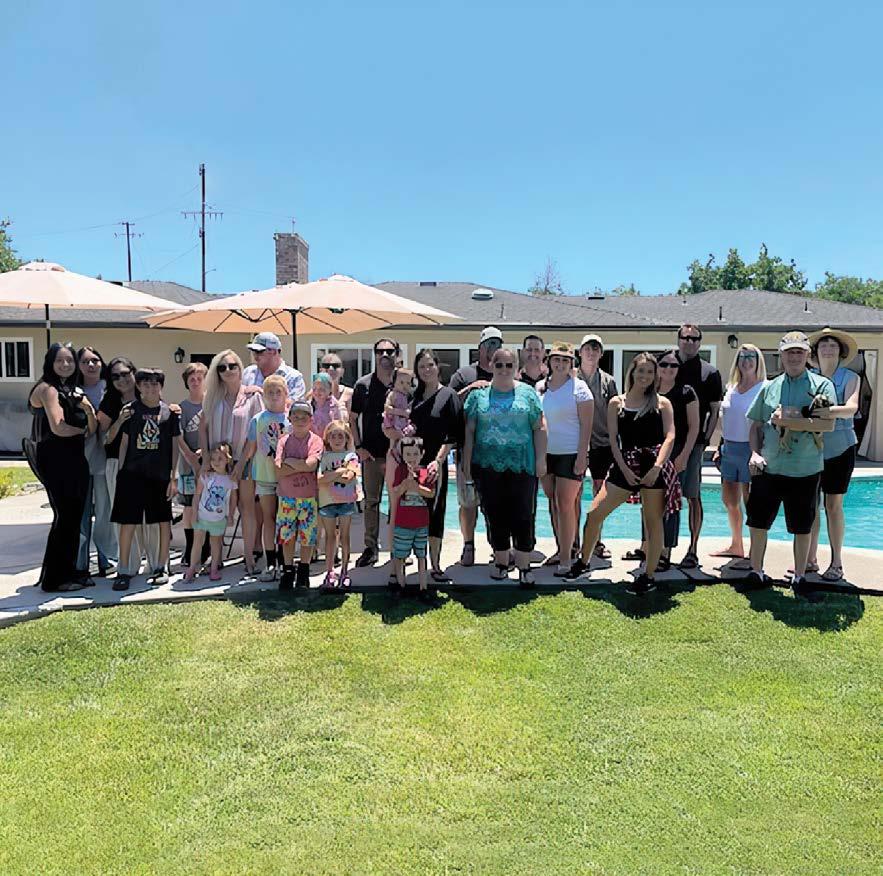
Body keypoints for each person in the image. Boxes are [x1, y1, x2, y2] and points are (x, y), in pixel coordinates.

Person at [566, 353, 677, 595]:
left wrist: (657, 467)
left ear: (655, 376)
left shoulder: (662, 403)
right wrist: (624, 469)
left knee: (653, 523)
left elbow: (670, 436)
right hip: (624, 465)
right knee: (594, 514)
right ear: (632, 372)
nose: (645, 376)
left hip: (653, 466)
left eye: (650, 372)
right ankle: (583, 562)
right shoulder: (617, 402)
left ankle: (648, 575)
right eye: (641, 370)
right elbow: (614, 441)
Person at [744, 331, 837, 599]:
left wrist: (788, 422)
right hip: (769, 467)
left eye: (799, 352)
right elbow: (756, 425)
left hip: (804, 468)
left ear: (807, 355)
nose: (794, 357)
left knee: (802, 527)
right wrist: (754, 453)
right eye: (789, 352)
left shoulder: (822, 386)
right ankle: (756, 572)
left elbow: (827, 424)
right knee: (758, 523)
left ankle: (799, 576)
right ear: (781, 355)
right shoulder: (769, 387)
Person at [462, 347, 547, 587]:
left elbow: (539, 427)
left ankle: (524, 566)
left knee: (523, 514)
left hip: (522, 465)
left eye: (509, 365)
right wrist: (466, 463)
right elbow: (469, 432)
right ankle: (500, 563)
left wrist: (541, 459)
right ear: (491, 365)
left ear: (516, 368)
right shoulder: (478, 396)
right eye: (499, 364)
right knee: (494, 514)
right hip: (487, 465)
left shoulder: (528, 394)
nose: (504, 369)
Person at [27, 343, 95, 592]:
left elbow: (85, 425)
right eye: (59, 360)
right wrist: (82, 430)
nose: (65, 365)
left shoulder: (69, 389)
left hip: (73, 458)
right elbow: (58, 427)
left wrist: (87, 414)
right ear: (50, 363)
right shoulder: (48, 389)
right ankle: (55, 580)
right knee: (65, 518)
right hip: (56, 459)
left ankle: (65, 572)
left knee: (72, 518)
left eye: (69, 360)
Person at [111, 368, 180, 591]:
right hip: (132, 475)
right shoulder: (131, 411)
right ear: (139, 386)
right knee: (128, 523)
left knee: (162, 521)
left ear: (161, 386)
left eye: (155, 384)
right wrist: (121, 472)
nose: (151, 388)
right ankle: (123, 569)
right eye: (146, 384)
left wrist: (173, 477)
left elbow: (174, 447)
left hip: (159, 476)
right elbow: (123, 442)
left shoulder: (169, 413)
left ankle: (161, 566)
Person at [201, 349, 264, 578]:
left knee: (247, 508)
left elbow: (256, 432)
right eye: (222, 367)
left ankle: (249, 557)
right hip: (218, 462)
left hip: (244, 459)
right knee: (216, 508)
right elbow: (202, 429)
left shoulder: (253, 396)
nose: (227, 370)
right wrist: (205, 459)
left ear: (240, 368)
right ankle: (216, 559)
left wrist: (240, 463)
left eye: (232, 366)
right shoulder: (211, 397)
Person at [807, 327, 861, 582]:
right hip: (811, 449)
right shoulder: (809, 378)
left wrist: (824, 412)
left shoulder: (851, 377)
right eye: (823, 345)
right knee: (812, 505)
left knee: (833, 506)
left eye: (833, 346)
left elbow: (851, 408)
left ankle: (836, 563)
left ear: (841, 352)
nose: (828, 349)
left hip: (841, 448)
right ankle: (809, 559)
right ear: (816, 352)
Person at [99, 356, 159, 578]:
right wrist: (120, 420)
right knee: (126, 518)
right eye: (115, 376)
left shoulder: (150, 396)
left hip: (149, 464)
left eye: (125, 374)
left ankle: (156, 564)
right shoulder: (109, 403)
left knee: (151, 517)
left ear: (133, 373)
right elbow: (103, 438)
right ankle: (129, 565)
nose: (121, 379)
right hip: (119, 464)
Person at [406, 349, 463, 584]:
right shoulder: (412, 397)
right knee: (410, 512)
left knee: (435, 513)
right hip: (411, 463)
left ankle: (435, 564)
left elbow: (453, 434)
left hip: (434, 465)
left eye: (430, 365)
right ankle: (410, 560)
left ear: (438, 367)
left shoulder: (449, 396)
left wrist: (438, 461)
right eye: (422, 367)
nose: (426, 370)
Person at [539, 342, 593, 576]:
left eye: (565, 360)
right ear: (549, 361)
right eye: (556, 359)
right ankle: (562, 549)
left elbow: (587, 426)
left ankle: (567, 559)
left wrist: (582, 456)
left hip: (570, 453)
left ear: (571, 363)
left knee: (565, 504)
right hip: (546, 453)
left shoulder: (580, 389)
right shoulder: (540, 387)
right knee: (553, 502)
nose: (560, 364)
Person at [449, 326, 501, 566]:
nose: (493, 349)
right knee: (468, 502)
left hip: (498, 452)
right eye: (489, 344)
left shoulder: (504, 373)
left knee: (496, 505)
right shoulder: (463, 374)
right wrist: (470, 388)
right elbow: (448, 404)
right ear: (480, 347)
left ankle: (499, 548)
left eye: (497, 344)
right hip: (467, 450)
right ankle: (468, 545)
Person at [711, 344, 766, 561]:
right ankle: (736, 545)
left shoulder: (764, 388)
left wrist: (758, 453)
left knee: (751, 502)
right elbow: (726, 420)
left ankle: (755, 551)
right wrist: (719, 447)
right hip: (729, 449)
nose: (746, 361)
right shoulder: (731, 387)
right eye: (742, 357)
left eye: (751, 356)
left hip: (750, 450)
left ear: (758, 361)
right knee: (729, 500)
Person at [674, 324, 723, 569]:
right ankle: (653, 547)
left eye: (695, 338)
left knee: (693, 496)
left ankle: (692, 549)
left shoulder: (709, 373)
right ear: (678, 339)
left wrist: (706, 440)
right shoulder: (667, 365)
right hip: (665, 443)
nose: (690, 341)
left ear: (700, 342)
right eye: (686, 337)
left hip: (693, 444)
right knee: (657, 496)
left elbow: (714, 410)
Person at [350, 338, 398, 567]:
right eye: (380, 351)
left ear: (397, 354)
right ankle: (371, 548)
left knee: (399, 502)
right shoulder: (363, 385)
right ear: (375, 354)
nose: (385, 355)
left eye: (390, 351)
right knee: (371, 502)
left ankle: (399, 548)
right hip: (371, 455)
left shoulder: (403, 383)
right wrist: (358, 447)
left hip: (398, 455)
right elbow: (352, 419)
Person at [241, 374, 290, 582]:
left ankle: (285, 561)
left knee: (284, 520)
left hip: (286, 478)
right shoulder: (257, 420)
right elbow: (250, 448)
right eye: (270, 392)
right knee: (268, 518)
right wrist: (240, 469)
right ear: (264, 395)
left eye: (278, 392)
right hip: (264, 476)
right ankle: (270, 562)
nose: (274, 396)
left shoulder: (291, 419)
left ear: (286, 394)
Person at [75, 345, 116, 583]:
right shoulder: (72, 390)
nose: (91, 365)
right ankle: (80, 563)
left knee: (104, 511)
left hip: (104, 457)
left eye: (95, 360)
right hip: (79, 458)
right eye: (85, 361)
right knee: (80, 514)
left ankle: (105, 559)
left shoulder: (110, 388)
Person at [655, 349, 699, 571]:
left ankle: (665, 551)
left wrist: (684, 456)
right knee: (652, 501)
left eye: (673, 365)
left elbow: (694, 427)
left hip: (678, 451)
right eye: (664, 364)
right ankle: (650, 546)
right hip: (653, 453)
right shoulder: (650, 391)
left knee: (671, 502)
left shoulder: (686, 392)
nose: (668, 369)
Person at [576, 334, 618, 561]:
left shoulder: (608, 382)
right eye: (587, 348)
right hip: (576, 444)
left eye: (595, 349)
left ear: (601, 353)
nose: (591, 353)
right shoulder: (571, 378)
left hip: (602, 444)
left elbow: (615, 414)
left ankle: (596, 541)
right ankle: (573, 542)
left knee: (599, 493)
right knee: (574, 494)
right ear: (580, 352)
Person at [275, 401, 324, 590]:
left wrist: (290, 462)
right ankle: (288, 570)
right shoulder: (283, 441)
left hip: (308, 497)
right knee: (286, 537)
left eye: (304, 417)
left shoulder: (316, 441)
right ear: (290, 419)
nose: (300, 420)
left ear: (311, 420)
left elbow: (311, 465)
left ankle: (303, 571)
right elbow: (278, 469)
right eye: (296, 416)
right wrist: (301, 465)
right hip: (286, 497)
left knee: (307, 536)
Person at [316, 420, 360, 589]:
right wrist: (340, 470)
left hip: (346, 501)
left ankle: (344, 571)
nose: (337, 440)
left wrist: (331, 474)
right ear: (327, 438)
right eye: (333, 436)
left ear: (347, 438)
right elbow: (319, 479)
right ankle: (329, 571)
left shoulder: (351, 456)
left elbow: (349, 477)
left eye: (340, 436)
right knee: (329, 537)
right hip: (327, 501)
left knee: (344, 537)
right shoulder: (323, 456)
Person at [185, 442, 238, 583]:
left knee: (215, 544)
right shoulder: (205, 476)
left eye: (220, 459)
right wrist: (194, 512)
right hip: (202, 516)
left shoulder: (231, 480)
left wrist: (231, 515)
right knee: (197, 543)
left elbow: (233, 499)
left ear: (228, 460)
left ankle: (214, 568)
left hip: (219, 519)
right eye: (213, 459)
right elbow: (197, 495)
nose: (216, 462)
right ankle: (192, 568)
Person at [390, 436, 435, 599]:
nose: (411, 458)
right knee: (400, 555)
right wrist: (405, 483)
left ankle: (423, 587)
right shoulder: (400, 471)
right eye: (408, 454)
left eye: (415, 454)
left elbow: (431, 493)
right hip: (403, 523)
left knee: (421, 555)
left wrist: (416, 486)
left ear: (422, 454)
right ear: (402, 455)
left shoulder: (425, 472)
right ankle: (401, 585)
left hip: (421, 523)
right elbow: (395, 492)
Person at [177, 362, 208, 570]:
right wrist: (189, 456)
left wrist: (204, 453)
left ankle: (206, 547)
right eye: (192, 379)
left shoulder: (211, 405)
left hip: (209, 464)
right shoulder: (182, 407)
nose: (196, 382)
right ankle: (189, 547)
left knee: (207, 504)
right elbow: (178, 436)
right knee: (189, 507)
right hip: (188, 466)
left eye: (199, 378)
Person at [242, 331, 306, 402]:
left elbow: (293, 405)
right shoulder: (247, 373)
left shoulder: (293, 377)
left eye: (259, 351)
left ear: (274, 352)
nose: (255, 355)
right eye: (253, 351)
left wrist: (261, 394)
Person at [318, 353, 354, 417]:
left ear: (342, 371)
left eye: (336, 365)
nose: (331, 369)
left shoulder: (350, 393)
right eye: (326, 366)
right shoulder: (313, 394)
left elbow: (353, 420)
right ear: (320, 371)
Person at [310, 372, 344, 439]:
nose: (317, 392)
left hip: (329, 441)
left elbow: (338, 427)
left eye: (321, 389)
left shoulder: (334, 406)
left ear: (329, 390)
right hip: (313, 442)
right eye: (314, 389)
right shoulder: (309, 405)